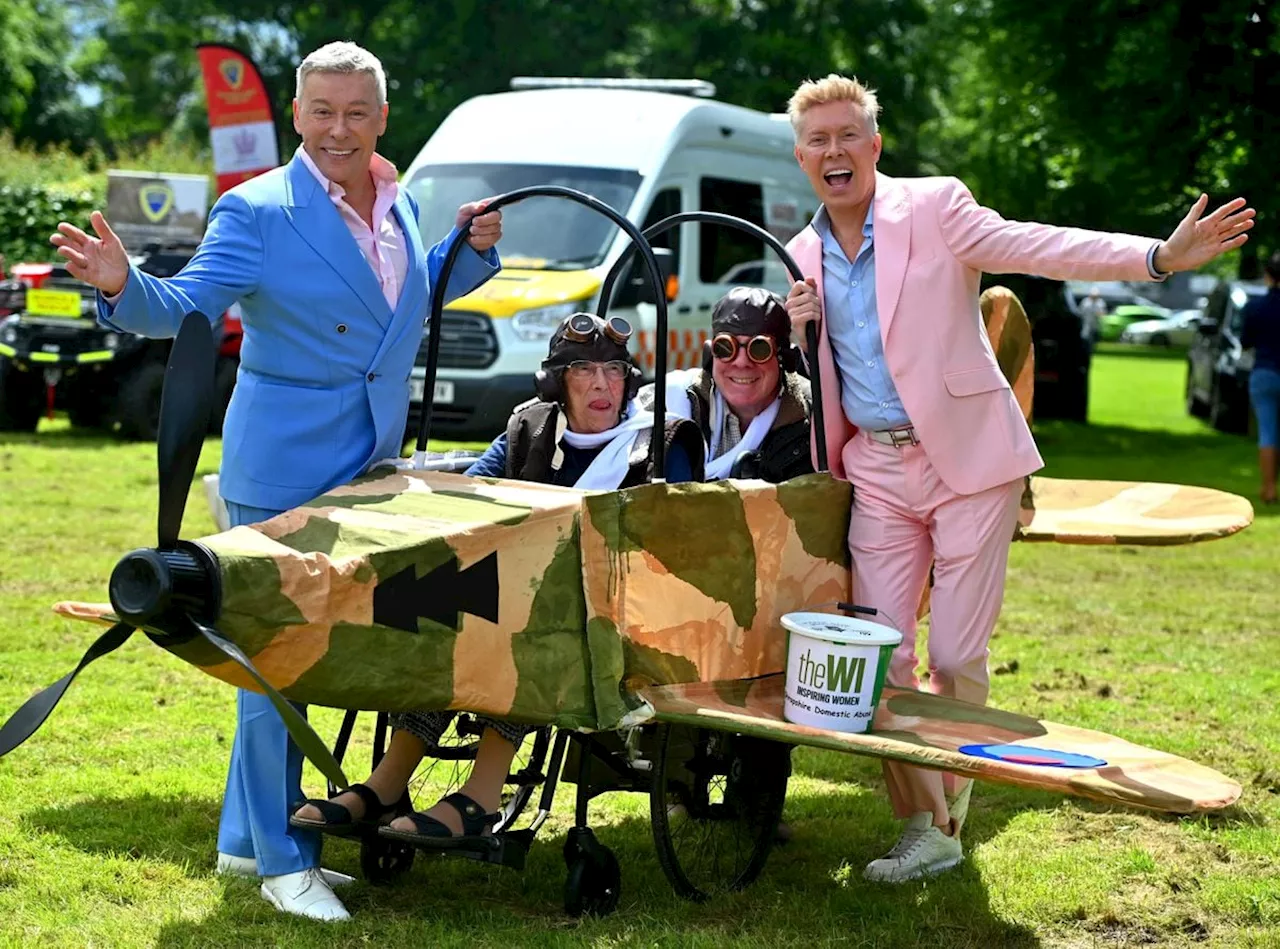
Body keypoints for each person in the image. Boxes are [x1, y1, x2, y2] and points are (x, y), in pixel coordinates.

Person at [49, 41, 504, 921]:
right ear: (297, 115)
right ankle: (284, 861)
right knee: (277, 668)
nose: (339, 128)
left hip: (365, 464)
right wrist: (121, 286)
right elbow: (184, 307)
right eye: (322, 111)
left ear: (381, 114)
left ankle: (238, 839)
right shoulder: (255, 209)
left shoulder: (399, 198)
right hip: (282, 467)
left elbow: (401, 303)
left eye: (356, 111)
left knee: (294, 660)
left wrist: (467, 250)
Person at [781, 73, 1254, 884]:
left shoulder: (933, 207)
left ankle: (953, 796)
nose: (835, 151)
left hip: (968, 461)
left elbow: (1039, 244)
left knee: (959, 655)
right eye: (819, 140)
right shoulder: (796, 253)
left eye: (848, 135)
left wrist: (1157, 258)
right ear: (801, 157)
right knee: (879, 660)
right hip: (877, 471)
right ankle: (926, 827)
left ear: (875, 145)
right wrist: (797, 331)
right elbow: (814, 371)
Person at [290, 311, 701, 854]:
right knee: (446, 613)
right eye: (583, 370)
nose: (602, 385)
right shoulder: (527, 429)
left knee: (514, 632)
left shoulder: (659, 444)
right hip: (514, 604)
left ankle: (481, 799)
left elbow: (670, 549)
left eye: (614, 371)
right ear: (557, 382)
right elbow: (468, 499)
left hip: (615, 621)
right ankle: (387, 784)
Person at [639, 285, 814, 483]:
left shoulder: (813, 415)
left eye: (759, 349)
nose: (741, 362)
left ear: (786, 358)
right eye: (725, 347)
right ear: (710, 353)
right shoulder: (667, 400)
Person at [1242, 251, 1280, 505]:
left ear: (1268, 276)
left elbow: (1246, 342)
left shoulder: (1255, 306)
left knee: (1268, 432)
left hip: (1264, 372)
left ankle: (1268, 488)